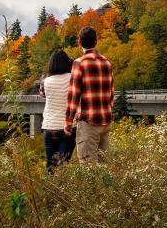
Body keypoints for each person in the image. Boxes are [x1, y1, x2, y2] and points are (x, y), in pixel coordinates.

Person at [64, 26, 114, 164]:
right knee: (105, 166)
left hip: (88, 122)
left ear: (79, 42)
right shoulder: (106, 63)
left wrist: (68, 121)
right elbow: (111, 93)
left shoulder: (79, 63)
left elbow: (74, 95)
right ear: (96, 41)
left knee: (88, 166)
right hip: (105, 120)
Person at [41, 49, 76, 172]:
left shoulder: (45, 81)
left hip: (49, 127)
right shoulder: (73, 78)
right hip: (67, 128)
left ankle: (48, 190)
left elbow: (43, 95)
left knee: (50, 166)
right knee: (62, 166)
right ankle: (60, 190)